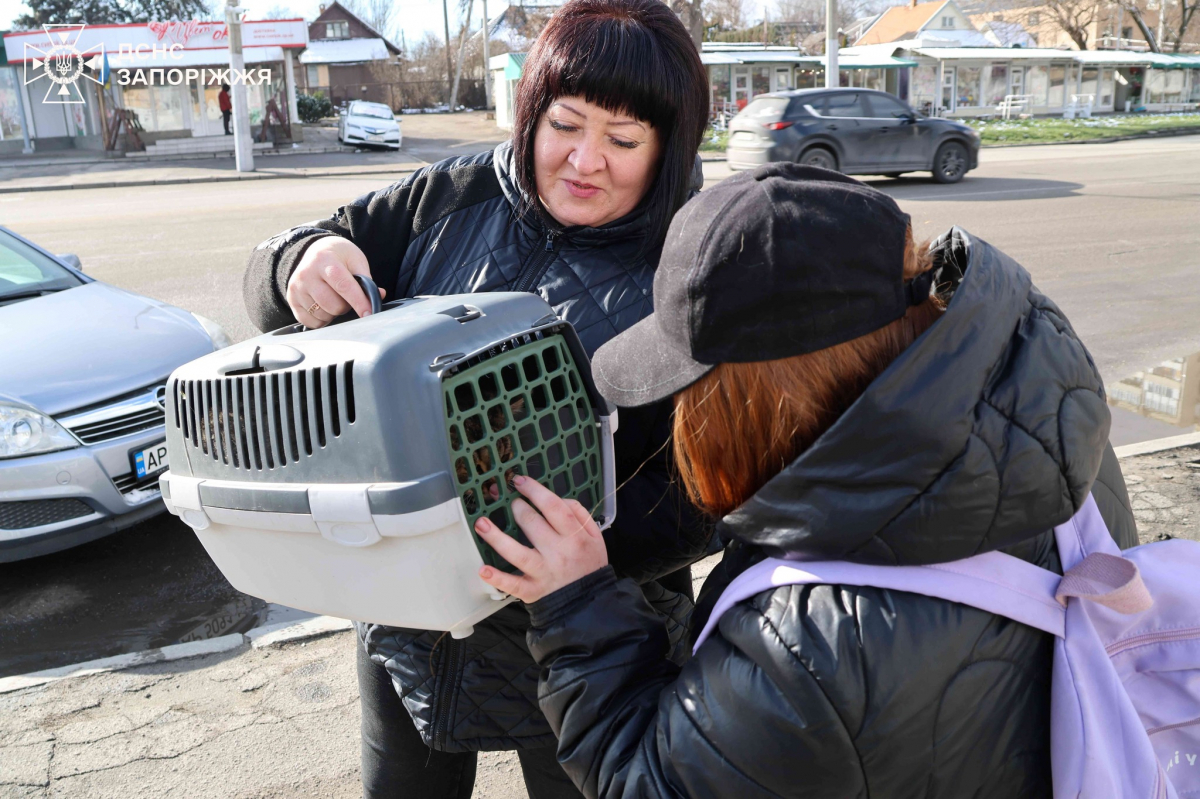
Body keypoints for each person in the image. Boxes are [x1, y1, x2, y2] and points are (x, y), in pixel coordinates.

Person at [476, 164, 1139, 798]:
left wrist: (578, 606)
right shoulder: (1047, 425)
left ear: (758, 402)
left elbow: (649, 777)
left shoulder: (802, 651)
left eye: (693, 393)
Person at [241, 1, 712, 796]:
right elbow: (274, 283)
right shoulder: (447, 198)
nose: (584, 160)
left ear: (668, 148)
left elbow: (715, 482)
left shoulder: (697, 256)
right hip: (406, 619)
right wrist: (300, 259)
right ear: (530, 112)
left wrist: (572, 553)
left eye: (623, 140)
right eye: (565, 124)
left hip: (588, 633)